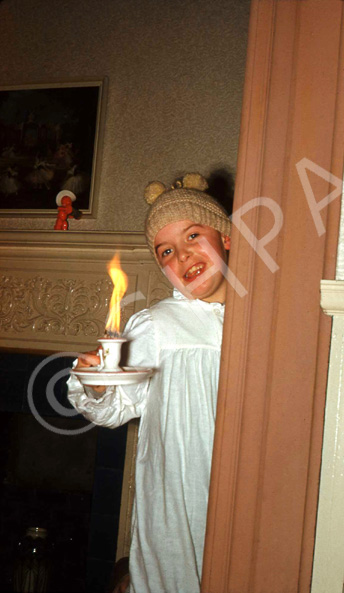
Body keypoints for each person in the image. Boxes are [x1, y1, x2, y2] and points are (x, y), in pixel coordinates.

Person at [67, 173, 231, 593]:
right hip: (178, 502)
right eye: (166, 252)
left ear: (227, 236)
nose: (183, 255)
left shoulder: (262, 316)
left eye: (194, 235)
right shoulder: (159, 324)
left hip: (244, 490)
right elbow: (114, 406)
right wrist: (97, 386)